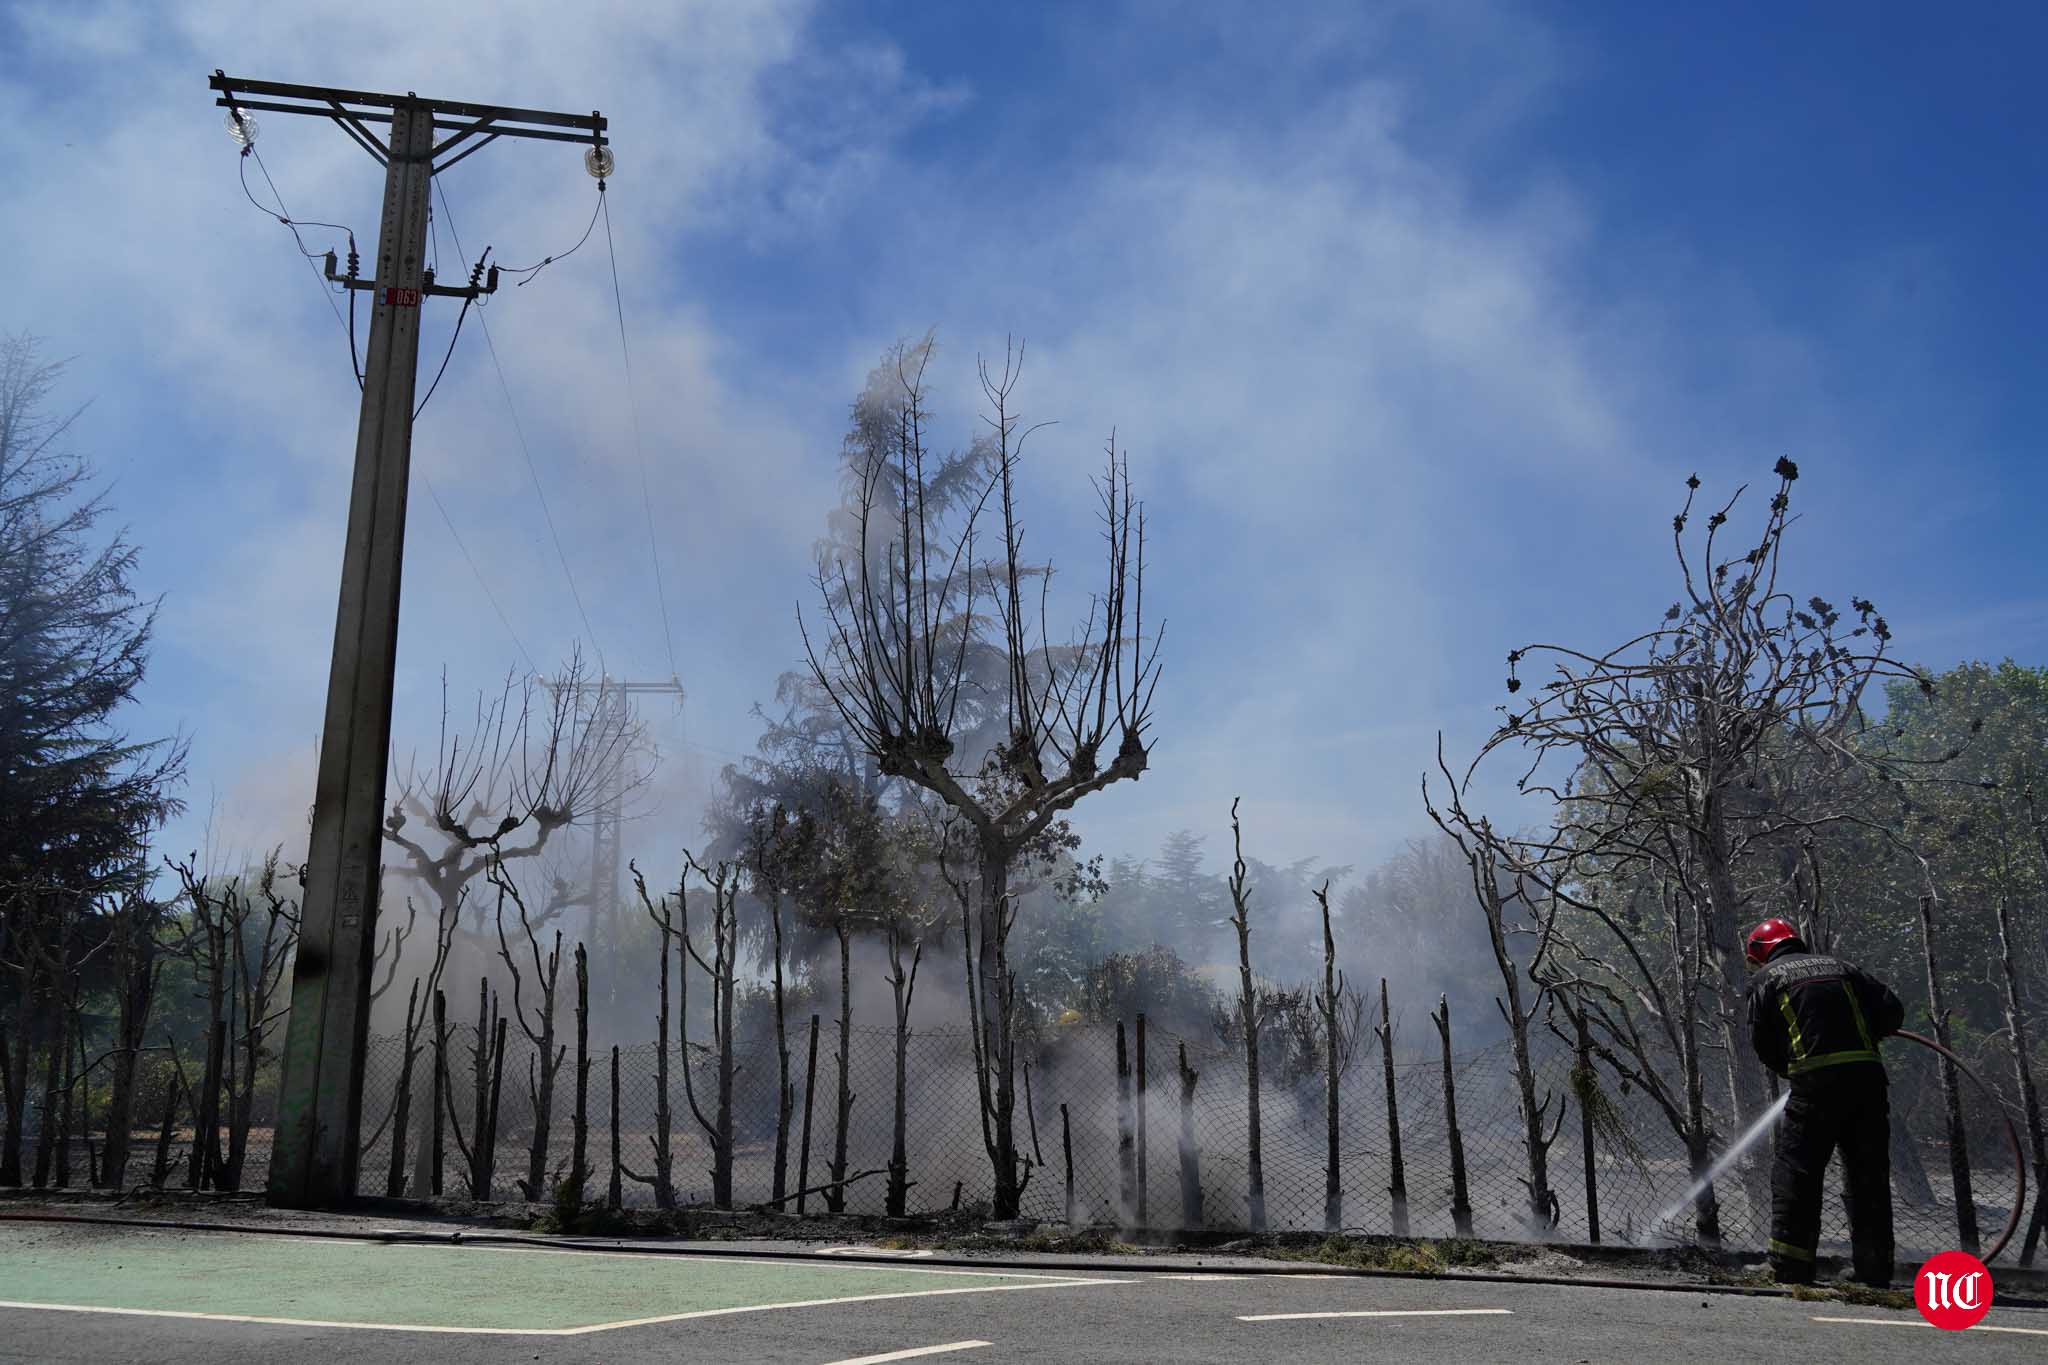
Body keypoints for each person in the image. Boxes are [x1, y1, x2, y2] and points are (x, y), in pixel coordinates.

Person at [1743, 917, 1906, 1287]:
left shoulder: (1767, 978)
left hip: (1815, 1086)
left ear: (1760, 953)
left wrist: (1792, 1070)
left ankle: (1789, 1267)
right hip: (1867, 1082)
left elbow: (1763, 1042)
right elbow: (1893, 1012)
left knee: (1797, 1174)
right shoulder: (1844, 968)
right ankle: (1875, 1269)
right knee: (1869, 1176)